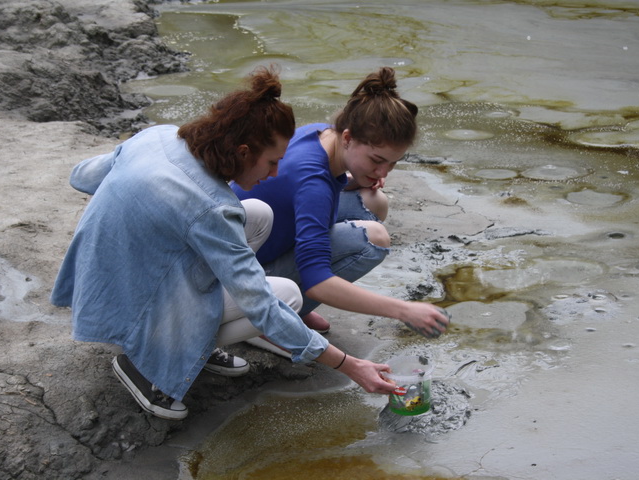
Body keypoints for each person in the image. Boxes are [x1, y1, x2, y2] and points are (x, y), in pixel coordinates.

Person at [50, 66, 397, 421]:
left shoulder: (159, 136)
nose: (275, 173)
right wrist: (350, 365)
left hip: (99, 279)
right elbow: (262, 306)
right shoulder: (211, 208)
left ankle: (196, 343)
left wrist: (141, 204)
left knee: (258, 214)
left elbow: (81, 176)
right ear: (243, 152)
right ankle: (146, 365)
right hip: (124, 306)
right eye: (272, 162)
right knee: (287, 296)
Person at [232, 67, 450, 356]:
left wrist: (358, 177)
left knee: (374, 200)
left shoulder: (320, 133)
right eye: (377, 160)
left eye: (392, 163)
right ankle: (271, 320)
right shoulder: (313, 184)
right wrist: (404, 310)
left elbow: (313, 189)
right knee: (373, 239)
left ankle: (294, 305)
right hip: (241, 277)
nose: (383, 171)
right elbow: (318, 280)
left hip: (258, 240)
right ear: (348, 138)